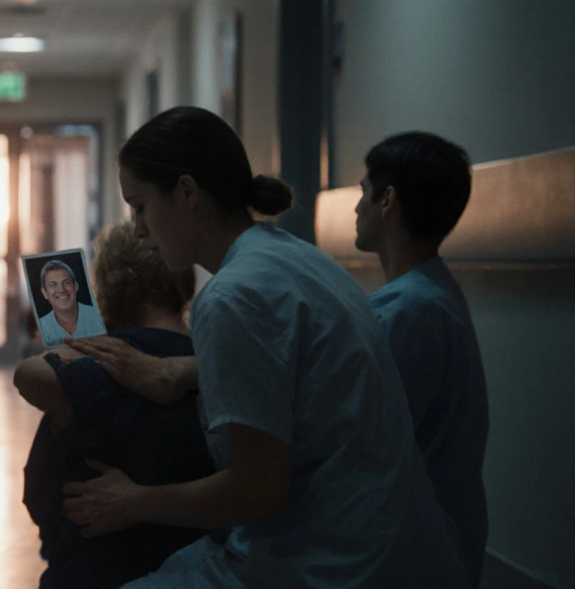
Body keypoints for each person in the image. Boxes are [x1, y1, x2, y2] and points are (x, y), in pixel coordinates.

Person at [62, 106, 469, 588]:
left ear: (187, 193)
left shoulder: (230, 296)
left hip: (339, 565)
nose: (138, 228)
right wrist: (178, 373)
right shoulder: (297, 256)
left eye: (140, 206)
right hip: (400, 548)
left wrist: (135, 502)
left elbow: (258, 492)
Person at [15, 220, 215, 589]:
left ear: (110, 290)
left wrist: (80, 346)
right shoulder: (216, 361)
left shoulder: (109, 367)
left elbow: (30, 376)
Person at [355, 131, 489, 586]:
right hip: (441, 542)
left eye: (363, 191)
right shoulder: (433, 292)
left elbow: (359, 445)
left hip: (412, 555)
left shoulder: (407, 312)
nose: (356, 208)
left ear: (387, 200)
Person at [36, 259, 105, 346]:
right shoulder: (41, 327)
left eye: (66, 283)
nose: (61, 290)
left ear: (75, 287)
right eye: (53, 285)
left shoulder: (98, 316)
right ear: (45, 293)